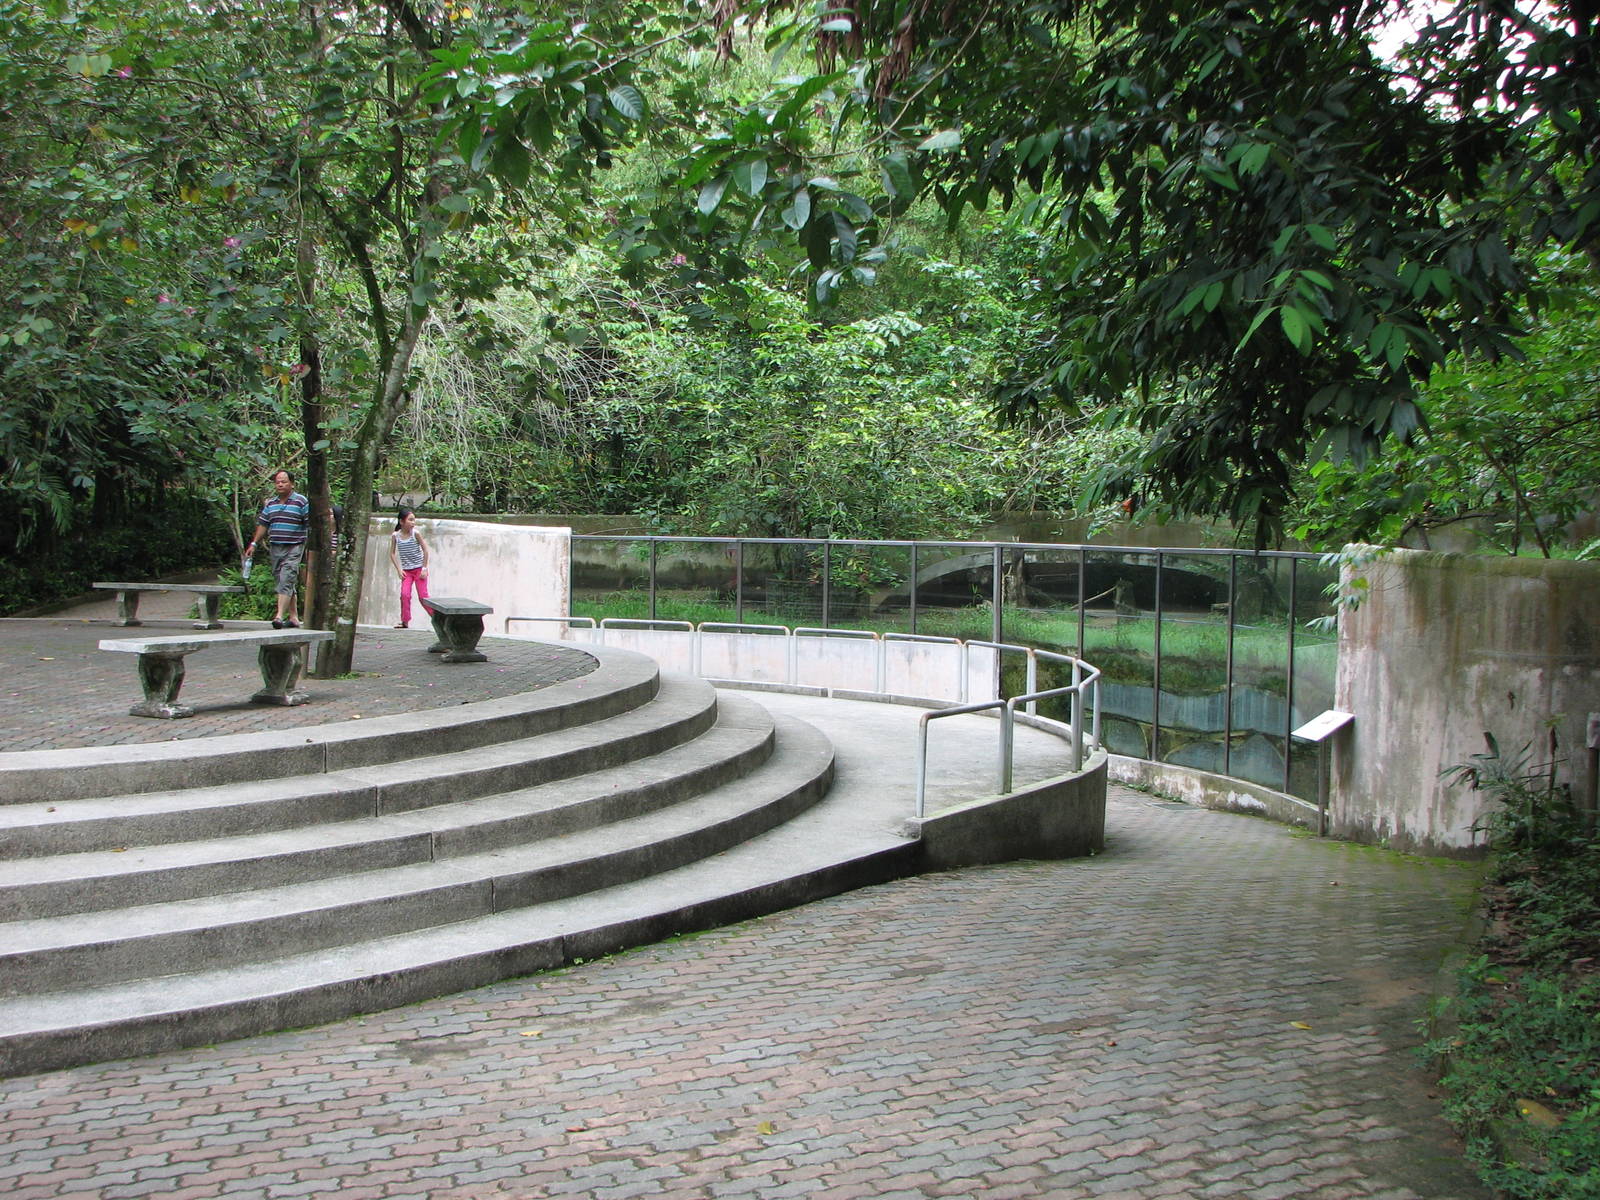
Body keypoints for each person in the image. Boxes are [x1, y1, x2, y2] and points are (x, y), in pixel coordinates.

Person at [246, 468, 311, 629]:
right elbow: (263, 524)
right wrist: (254, 543)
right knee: (283, 580)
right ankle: (294, 617)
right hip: (276, 546)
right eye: (278, 482)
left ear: (292, 484)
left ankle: (279, 616)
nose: (280, 485)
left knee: (287, 577)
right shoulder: (271, 504)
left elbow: (309, 524)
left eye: (284, 482)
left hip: (294, 545)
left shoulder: (301, 502)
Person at [389, 507, 430, 628]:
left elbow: (426, 550)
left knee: (423, 597)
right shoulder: (396, 536)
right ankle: (405, 621)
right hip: (407, 571)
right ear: (401, 522)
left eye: (414, 520)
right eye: (410, 520)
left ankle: (437, 618)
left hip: (419, 570)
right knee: (404, 595)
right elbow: (392, 553)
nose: (413, 523)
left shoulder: (415, 534)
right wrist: (399, 569)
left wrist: (424, 568)